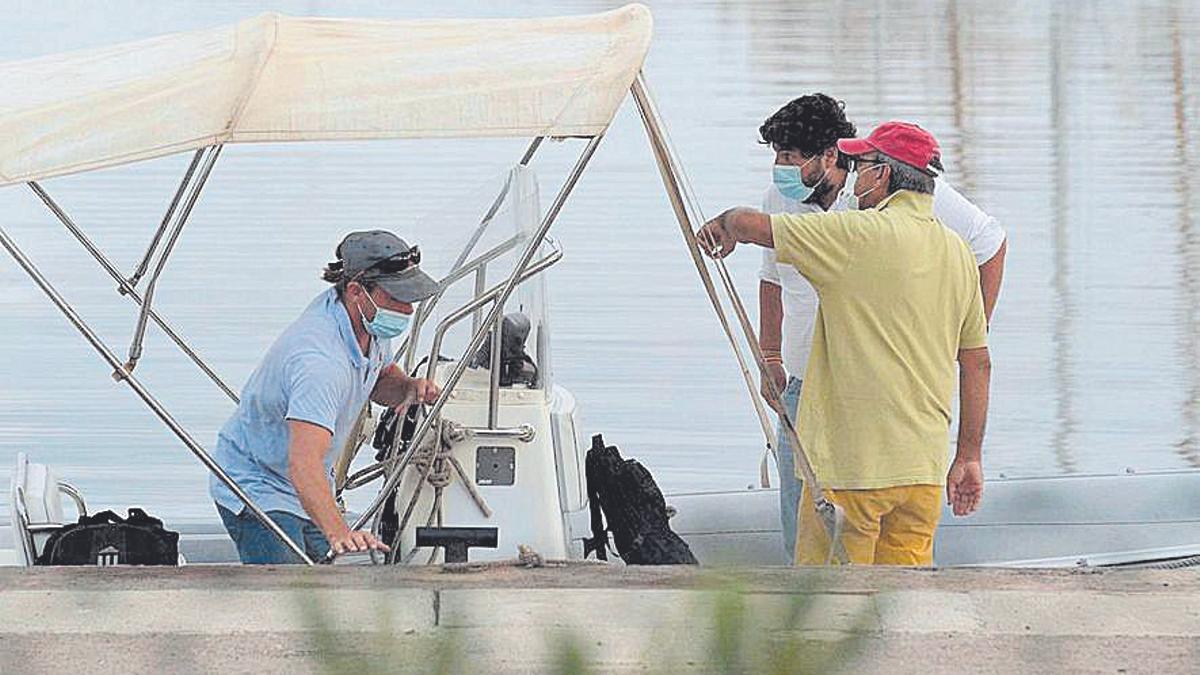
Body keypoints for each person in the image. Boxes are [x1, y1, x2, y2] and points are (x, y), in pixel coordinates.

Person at [700, 122, 992, 566]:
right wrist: (968, 455)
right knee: (903, 608)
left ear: (883, 176)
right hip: (923, 475)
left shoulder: (854, 235)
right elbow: (977, 364)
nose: (857, 177)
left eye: (862, 166)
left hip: (851, 473)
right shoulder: (957, 254)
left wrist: (725, 224)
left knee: (829, 610)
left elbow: (754, 227)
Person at [210, 230, 441, 564]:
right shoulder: (319, 362)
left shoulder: (364, 320)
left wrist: (407, 387)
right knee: (291, 602)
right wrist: (339, 533)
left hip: (305, 481)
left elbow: (378, 377)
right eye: (396, 298)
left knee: (327, 593)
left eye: (409, 298)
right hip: (259, 484)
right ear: (356, 291)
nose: (407, 309)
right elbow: (303, 463)